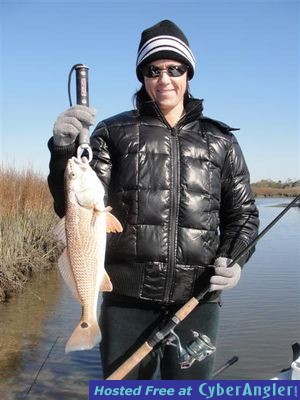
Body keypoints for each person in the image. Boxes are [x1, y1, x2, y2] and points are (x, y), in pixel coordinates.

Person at [48, 20, 259, 379]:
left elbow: (243, 214)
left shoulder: (220, 140)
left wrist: (235, 260)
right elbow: (75, 207)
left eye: (175, 68)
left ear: (188, 74)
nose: (165, 78)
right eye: (153, 69)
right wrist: (64, 150)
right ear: (142, 76)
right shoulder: (113, 132)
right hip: (126, 300)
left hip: (197, 300)